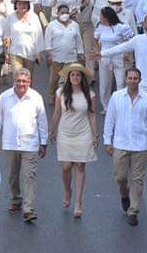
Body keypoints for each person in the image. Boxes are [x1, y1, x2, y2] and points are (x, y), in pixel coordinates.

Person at [103, 67, 147, 227]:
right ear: (126, 79)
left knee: (138, 179)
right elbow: (110, 120)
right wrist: (108, 140)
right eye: (130, 78)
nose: (132, 81)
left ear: (139, 80)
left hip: (140, 145)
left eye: (135, 78)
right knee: (120, 177)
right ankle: (124, 195)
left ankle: (134, 210)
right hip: (120, 144)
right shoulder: (116, 97)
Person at [0, 68, 48, 222]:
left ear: (29, 82)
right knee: (13, 176)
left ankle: (28, 209)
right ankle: (16, 199)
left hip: (30, 143)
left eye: (24, 81)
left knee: (29, 175)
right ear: (14, 81)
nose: (21, 83)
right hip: (10, 143)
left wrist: (44, 143)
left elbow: (42, 121)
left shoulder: (36, 97)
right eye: (18, 80)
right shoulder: (5, 97)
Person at [49, 63, 97, 219]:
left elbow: (92, 114)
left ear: (81, 78)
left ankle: (78, 202)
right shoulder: (61, 93)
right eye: (72, 75)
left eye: (78, 75)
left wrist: (95, 135)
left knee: (80, 166)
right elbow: (57, 113)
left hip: (83, 133)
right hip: (65, 134)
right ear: (68, 78)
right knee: (66, 167)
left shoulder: (89, 95)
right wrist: (52, 130)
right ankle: (67, 190)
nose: (75, 77)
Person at [44, 4, 85, 103]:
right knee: (54, 79)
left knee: (67, 79)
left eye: (66, 12)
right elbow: (47, 40)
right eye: (62, 13)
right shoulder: (52, 25)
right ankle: (51, 95)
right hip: (56, 57)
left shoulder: (74, 25)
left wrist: (80, 53)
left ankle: (66, 96)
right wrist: (49, 54)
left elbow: (78, 40)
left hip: (71, 57)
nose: (65, 14)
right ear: (57, 14)